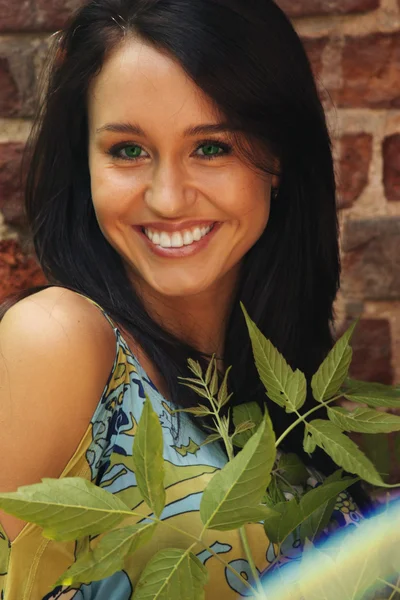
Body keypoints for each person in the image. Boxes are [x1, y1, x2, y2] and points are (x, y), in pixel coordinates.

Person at [0, 0, 369, 598]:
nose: (168, 199)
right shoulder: (58, 342)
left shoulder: (297, 393)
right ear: (85, 164)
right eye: (128, 150)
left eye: (212, 147)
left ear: (276, 159)